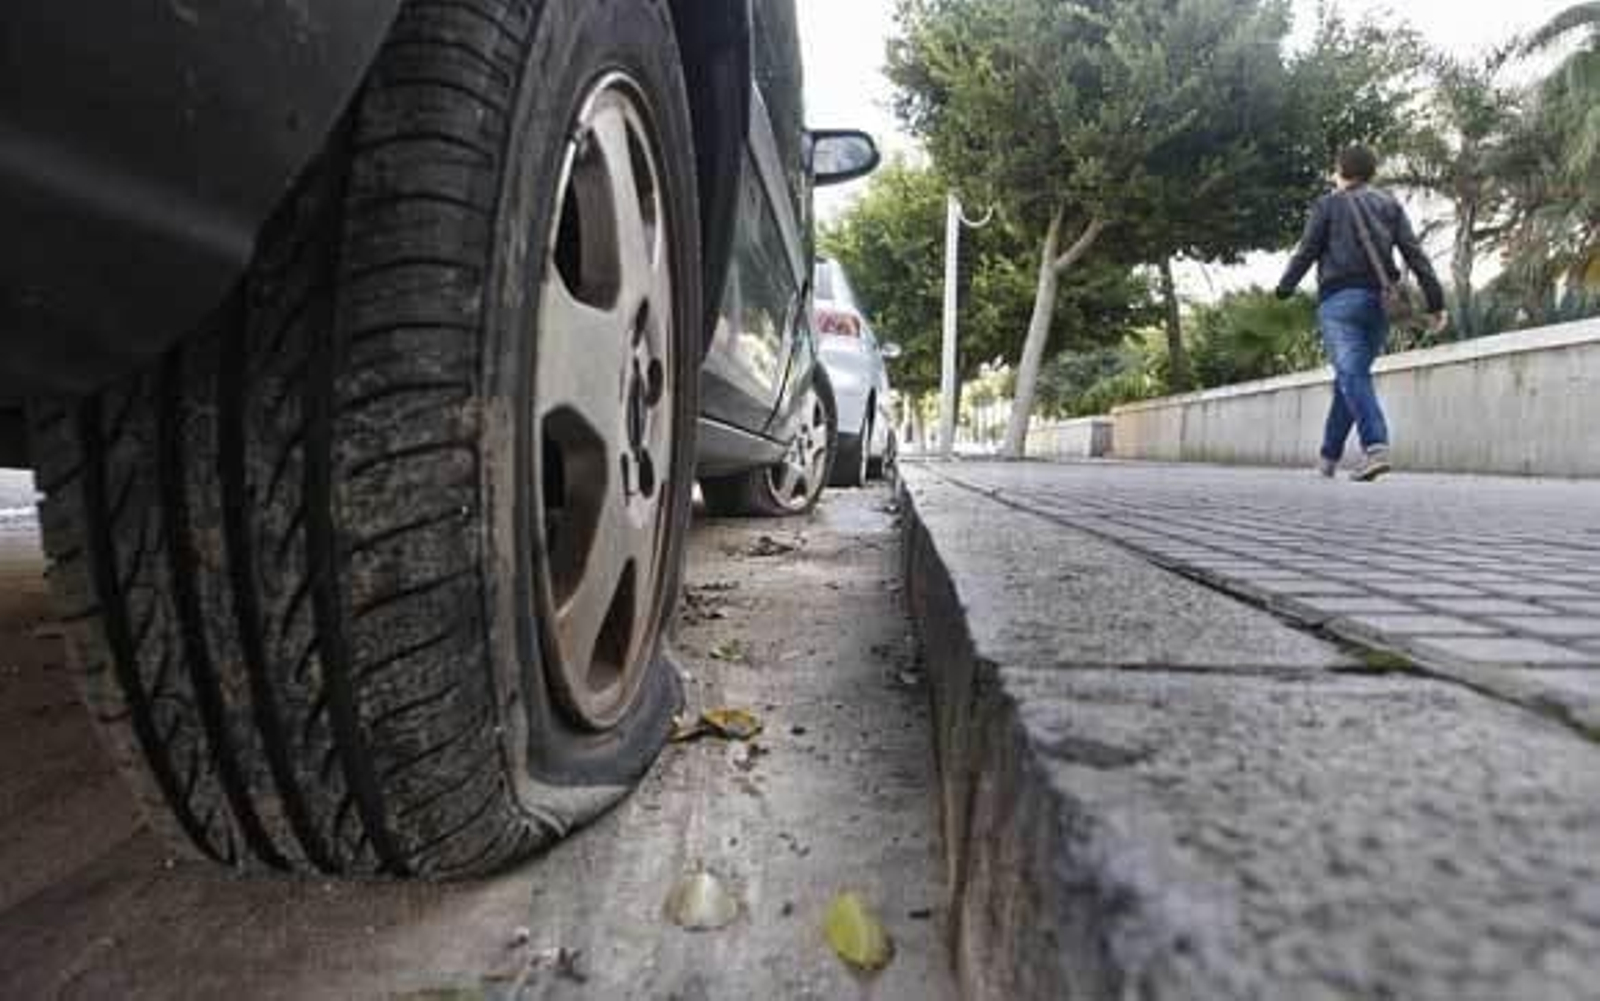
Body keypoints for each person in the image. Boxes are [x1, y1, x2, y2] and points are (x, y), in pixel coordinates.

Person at [1275, 145, 1447, 482]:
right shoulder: (1389, 204)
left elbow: (1307, 250)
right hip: (1382, 303)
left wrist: (1285, 287)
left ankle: (1375, 447)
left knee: (1352, 374)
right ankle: (1328, 458)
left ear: (1340, 170)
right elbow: (1415, 255)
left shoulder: (1328, 204)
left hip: (1339, 301)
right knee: (1349, 377)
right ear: (1371, 172)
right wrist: (1436, 301)